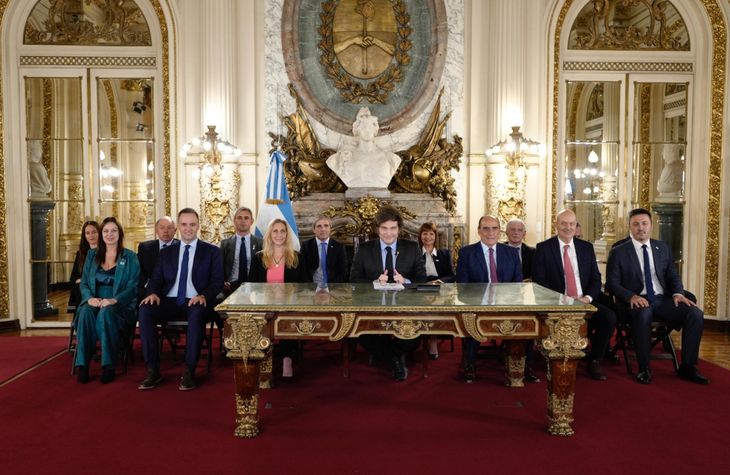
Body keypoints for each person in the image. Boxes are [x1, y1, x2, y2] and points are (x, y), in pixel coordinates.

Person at [606, 208, 708, 385]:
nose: (641, 228)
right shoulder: (619, 251)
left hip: (661, 300)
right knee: (644, 313)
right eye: (636, 224)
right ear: (629, 226)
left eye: (644, 224)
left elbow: (672, 275)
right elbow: (612, 283)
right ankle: (644, 368)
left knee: (695, 314)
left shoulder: (661, 247)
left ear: (651, 226)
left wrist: (678, 293)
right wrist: (631, 297)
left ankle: (688, 367)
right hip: (636, 301)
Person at [138, 208, 224, 391]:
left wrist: (203, 296)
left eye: (192, 224)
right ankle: (153, 370)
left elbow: (217, 282)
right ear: (178, 226)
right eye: (184, 224)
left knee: (196, 311)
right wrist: (152, 293)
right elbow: (156, 279)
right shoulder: (166, 252)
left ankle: (189, 371)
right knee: (145, 309)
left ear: (198, 226)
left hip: (196, 301)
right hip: (169, 301)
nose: (188, 228)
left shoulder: (212, 252)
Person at [532, 209, 616, 381]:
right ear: (556, 225)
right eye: (564, 223)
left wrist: (587, 298)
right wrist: (560, 299)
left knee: (609, 318)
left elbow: (595, 279)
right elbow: (539, 282)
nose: (568, 227)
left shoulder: (586, 248)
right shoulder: (543, 248)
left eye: (572, 224)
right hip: (556, 303)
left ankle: (594, 360)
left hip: (583, 301)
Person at [350, 205, 427, 381]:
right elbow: (353, 281)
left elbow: (422, 280)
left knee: (414, 338)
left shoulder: (412, 248)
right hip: (373, 309)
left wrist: (406, 281)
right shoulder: (364, 249)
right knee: (363, 336)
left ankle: (385, 355)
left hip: (405, 309)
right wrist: (374, 283)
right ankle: (396, 358)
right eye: (384, 228)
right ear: (377, 229)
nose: (388, 233)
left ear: (399, 229)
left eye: (393, 228)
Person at [455, 215, 522, 383]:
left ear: (500, 231)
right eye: (486, 228)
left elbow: (517, 285)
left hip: (507, 305)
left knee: (526, 324)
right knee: (469, 319)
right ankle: (469, 364)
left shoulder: (511, 253)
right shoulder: (467, 253)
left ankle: (520, 366)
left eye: (494, 228)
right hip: (478, 305)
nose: (490, 232)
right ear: (479, 231)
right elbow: (463, 287)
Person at [74, 217, 140, 384]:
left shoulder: (130, 256)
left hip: (119, 304)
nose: (110, 234)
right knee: (85, 312)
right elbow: (84, 282)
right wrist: (89, 298)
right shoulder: (92, 255)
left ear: (120, 234)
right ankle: (82, 365)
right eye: (106, 231)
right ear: (101, 234)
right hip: (94, 300)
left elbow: (134, 286)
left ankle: (108, 365)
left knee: (106, 313)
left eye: (113, 231)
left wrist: (114, 300)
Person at [249, 218, 310, 380]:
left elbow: (305, 286)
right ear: (269, 234)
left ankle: (287, 361)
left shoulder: (297, 257)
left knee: (286, 320)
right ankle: (263, 360)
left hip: (289, 305)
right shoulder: (258, 258)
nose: (279, 234)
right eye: (275, 231)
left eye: (283, 231)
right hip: (264, 306)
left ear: (287, 234)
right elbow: (251, 287)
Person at [326, 107, 401, 189]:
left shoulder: (391, 158)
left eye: (370, 127)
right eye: (363, 127)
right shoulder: (343, 157)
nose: (367, 130)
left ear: (375, 130)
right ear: (357, 130)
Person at [503, 218, 539, 383]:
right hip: (503, 297)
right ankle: (509, 357)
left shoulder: (533, 252)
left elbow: (537, 275)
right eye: (512, 230)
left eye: (519, 230)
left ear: (524, 233)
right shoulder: (499, 250)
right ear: (506, 232)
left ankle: (527, 365)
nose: (516, 233)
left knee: (530, 324)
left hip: (527, 297)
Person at [418, 221, 454, 359]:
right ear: (420, 236)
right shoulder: (415, 254)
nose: (428, 237)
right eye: (425, 233)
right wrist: (425, 284)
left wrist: (438, 282)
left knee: (433, 307)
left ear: (435, 236)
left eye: (431, 234)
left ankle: (432, 340)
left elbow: (451, 276)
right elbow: (411, 275)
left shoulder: (444, 253)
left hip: (439, 289)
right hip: (419, 288)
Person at [220, 206, 263, 297]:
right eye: (239, 218)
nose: (243, 221)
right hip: (230, 287)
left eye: (246, 218)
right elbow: (219, 268)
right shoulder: (225, 244)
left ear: (252, 221)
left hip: (253, 287)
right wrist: (223, 283)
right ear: (234, 221)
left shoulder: (260, 243)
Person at [137, 216, 177, 301]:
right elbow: (140, 273)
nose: (165, 231)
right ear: (156, 230)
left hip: (174, 291)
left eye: (169, 227)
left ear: (175, 230)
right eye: (162, 228)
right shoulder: (145, 247)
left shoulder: (182, 247)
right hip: (149, 291)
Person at [301, 215, 348, 285]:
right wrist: (310, 287)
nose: (323, 229)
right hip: (312, 286)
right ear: (314, 230)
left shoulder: (339, 247)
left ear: (330, 229)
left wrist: (331, 286)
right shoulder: (306, 246)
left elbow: (343, 272)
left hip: (333, 286)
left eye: (326, 226)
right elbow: (302, 271)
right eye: (319, 226)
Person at [68, 220, 100, 311]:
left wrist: (87, 280)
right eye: (87, 233)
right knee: (79, 289)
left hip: (98, 285)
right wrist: (82, 281)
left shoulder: (105, 251)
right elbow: (73, 277)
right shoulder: (80, 253)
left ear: (99, 233)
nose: (91, 236)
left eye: (94, 232)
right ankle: (77, 314)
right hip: (82, 286)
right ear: (84, 235)